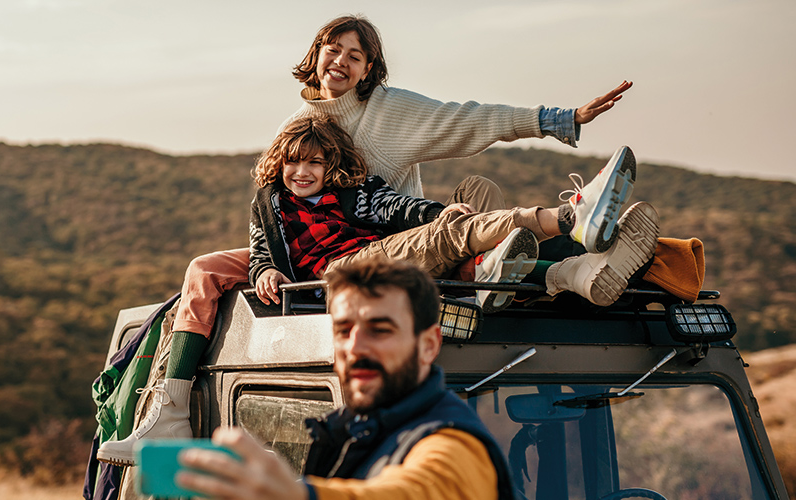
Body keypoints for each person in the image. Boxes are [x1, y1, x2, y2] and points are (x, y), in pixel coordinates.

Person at [97, 15, 634, 464]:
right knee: (205, 269)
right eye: (333, 49)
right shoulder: (297, 126)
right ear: (316, 55)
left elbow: (467, 120)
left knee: (472, 209)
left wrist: (559, 120)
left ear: (369, 68)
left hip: (391, 239)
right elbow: (271, 216)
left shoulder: (388, 111)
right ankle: (169, 411)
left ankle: (573, 252)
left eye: (355, 56)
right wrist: (263, 268)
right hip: (319, 257)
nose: (341, 62)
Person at [173, 257, 521, 500]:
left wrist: (300, 495)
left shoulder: (453, 446)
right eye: (343, 329)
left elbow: (414, 491)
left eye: (380, 330)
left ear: (428, 344)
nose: (355, 346)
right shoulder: (357, 430)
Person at [248, 116, 656, 311]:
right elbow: (260, 254)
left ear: (330, 165)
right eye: (294, 163)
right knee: (444, 235)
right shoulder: (271, 205)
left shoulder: (353, 191)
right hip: (338, 276)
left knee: (479, 189)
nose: (302, 172)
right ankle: (569, 220)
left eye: (314, 164)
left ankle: (509, 271)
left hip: (377, 253)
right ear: (279, 163)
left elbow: (399, 208)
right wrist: (264, 272)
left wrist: (442, 212)